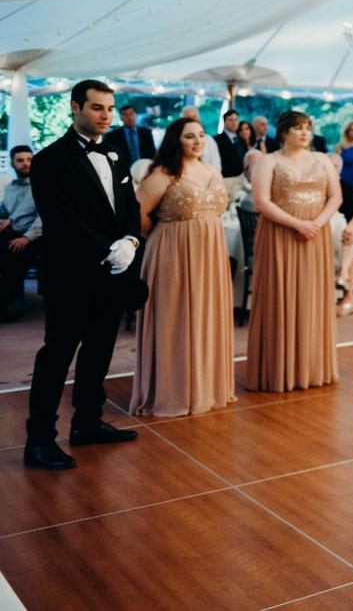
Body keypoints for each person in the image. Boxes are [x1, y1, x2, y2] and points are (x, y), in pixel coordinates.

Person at [24, 80, 146, 470]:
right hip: (70, 274)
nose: (106, 115)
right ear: (75, 108)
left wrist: (131, 240)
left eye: (109, 108)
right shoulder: (49, 159)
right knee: (57, 355)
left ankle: (87, 424)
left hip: (112, 274)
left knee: (99, 350)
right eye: (97, 107)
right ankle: (39, 440)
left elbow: (130, 206)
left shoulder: (115, 152)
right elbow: (61, 218)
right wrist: (107, 248)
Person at [130, 117, 235, 416]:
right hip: (173, 250)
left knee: (206, 313)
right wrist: (163, 237)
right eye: (190, 136)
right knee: (175, 316)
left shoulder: (211, 170)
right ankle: (174, 389)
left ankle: (207, 387)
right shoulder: (162, 173)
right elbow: (138, 213)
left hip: (211, 251)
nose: (198, 141)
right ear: (176, 140)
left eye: (201, 135)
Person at [245, 110, 343, 392]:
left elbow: (336, 196)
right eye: (298, 128)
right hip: (280, 235)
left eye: (308, 128)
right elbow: (261, 202)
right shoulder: (268, 161)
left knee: (313, 297)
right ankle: (279, 369)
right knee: (280, 295)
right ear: (284, 132)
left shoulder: (322, 159)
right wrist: (298, 224)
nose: (304, 133)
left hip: (315, 236)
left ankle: (312, 367)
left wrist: (316, 224)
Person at [0, 145, 43, 322]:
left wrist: (26, 238)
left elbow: (45, 216)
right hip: (11, 233)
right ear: (12, 163)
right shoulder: (10, 187)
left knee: (8, 253)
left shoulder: (42, 185)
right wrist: (3, 219)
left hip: (34, 237)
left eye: (29, 159)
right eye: (20, 160)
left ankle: (10, 306)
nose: (26, 164)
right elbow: (4, 211)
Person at [180, 106, 224, 172]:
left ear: (199, 119)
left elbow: (217, 167)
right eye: (188, 118)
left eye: (195, 117)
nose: (192, 121)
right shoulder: (175, 140)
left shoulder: (209, 140)